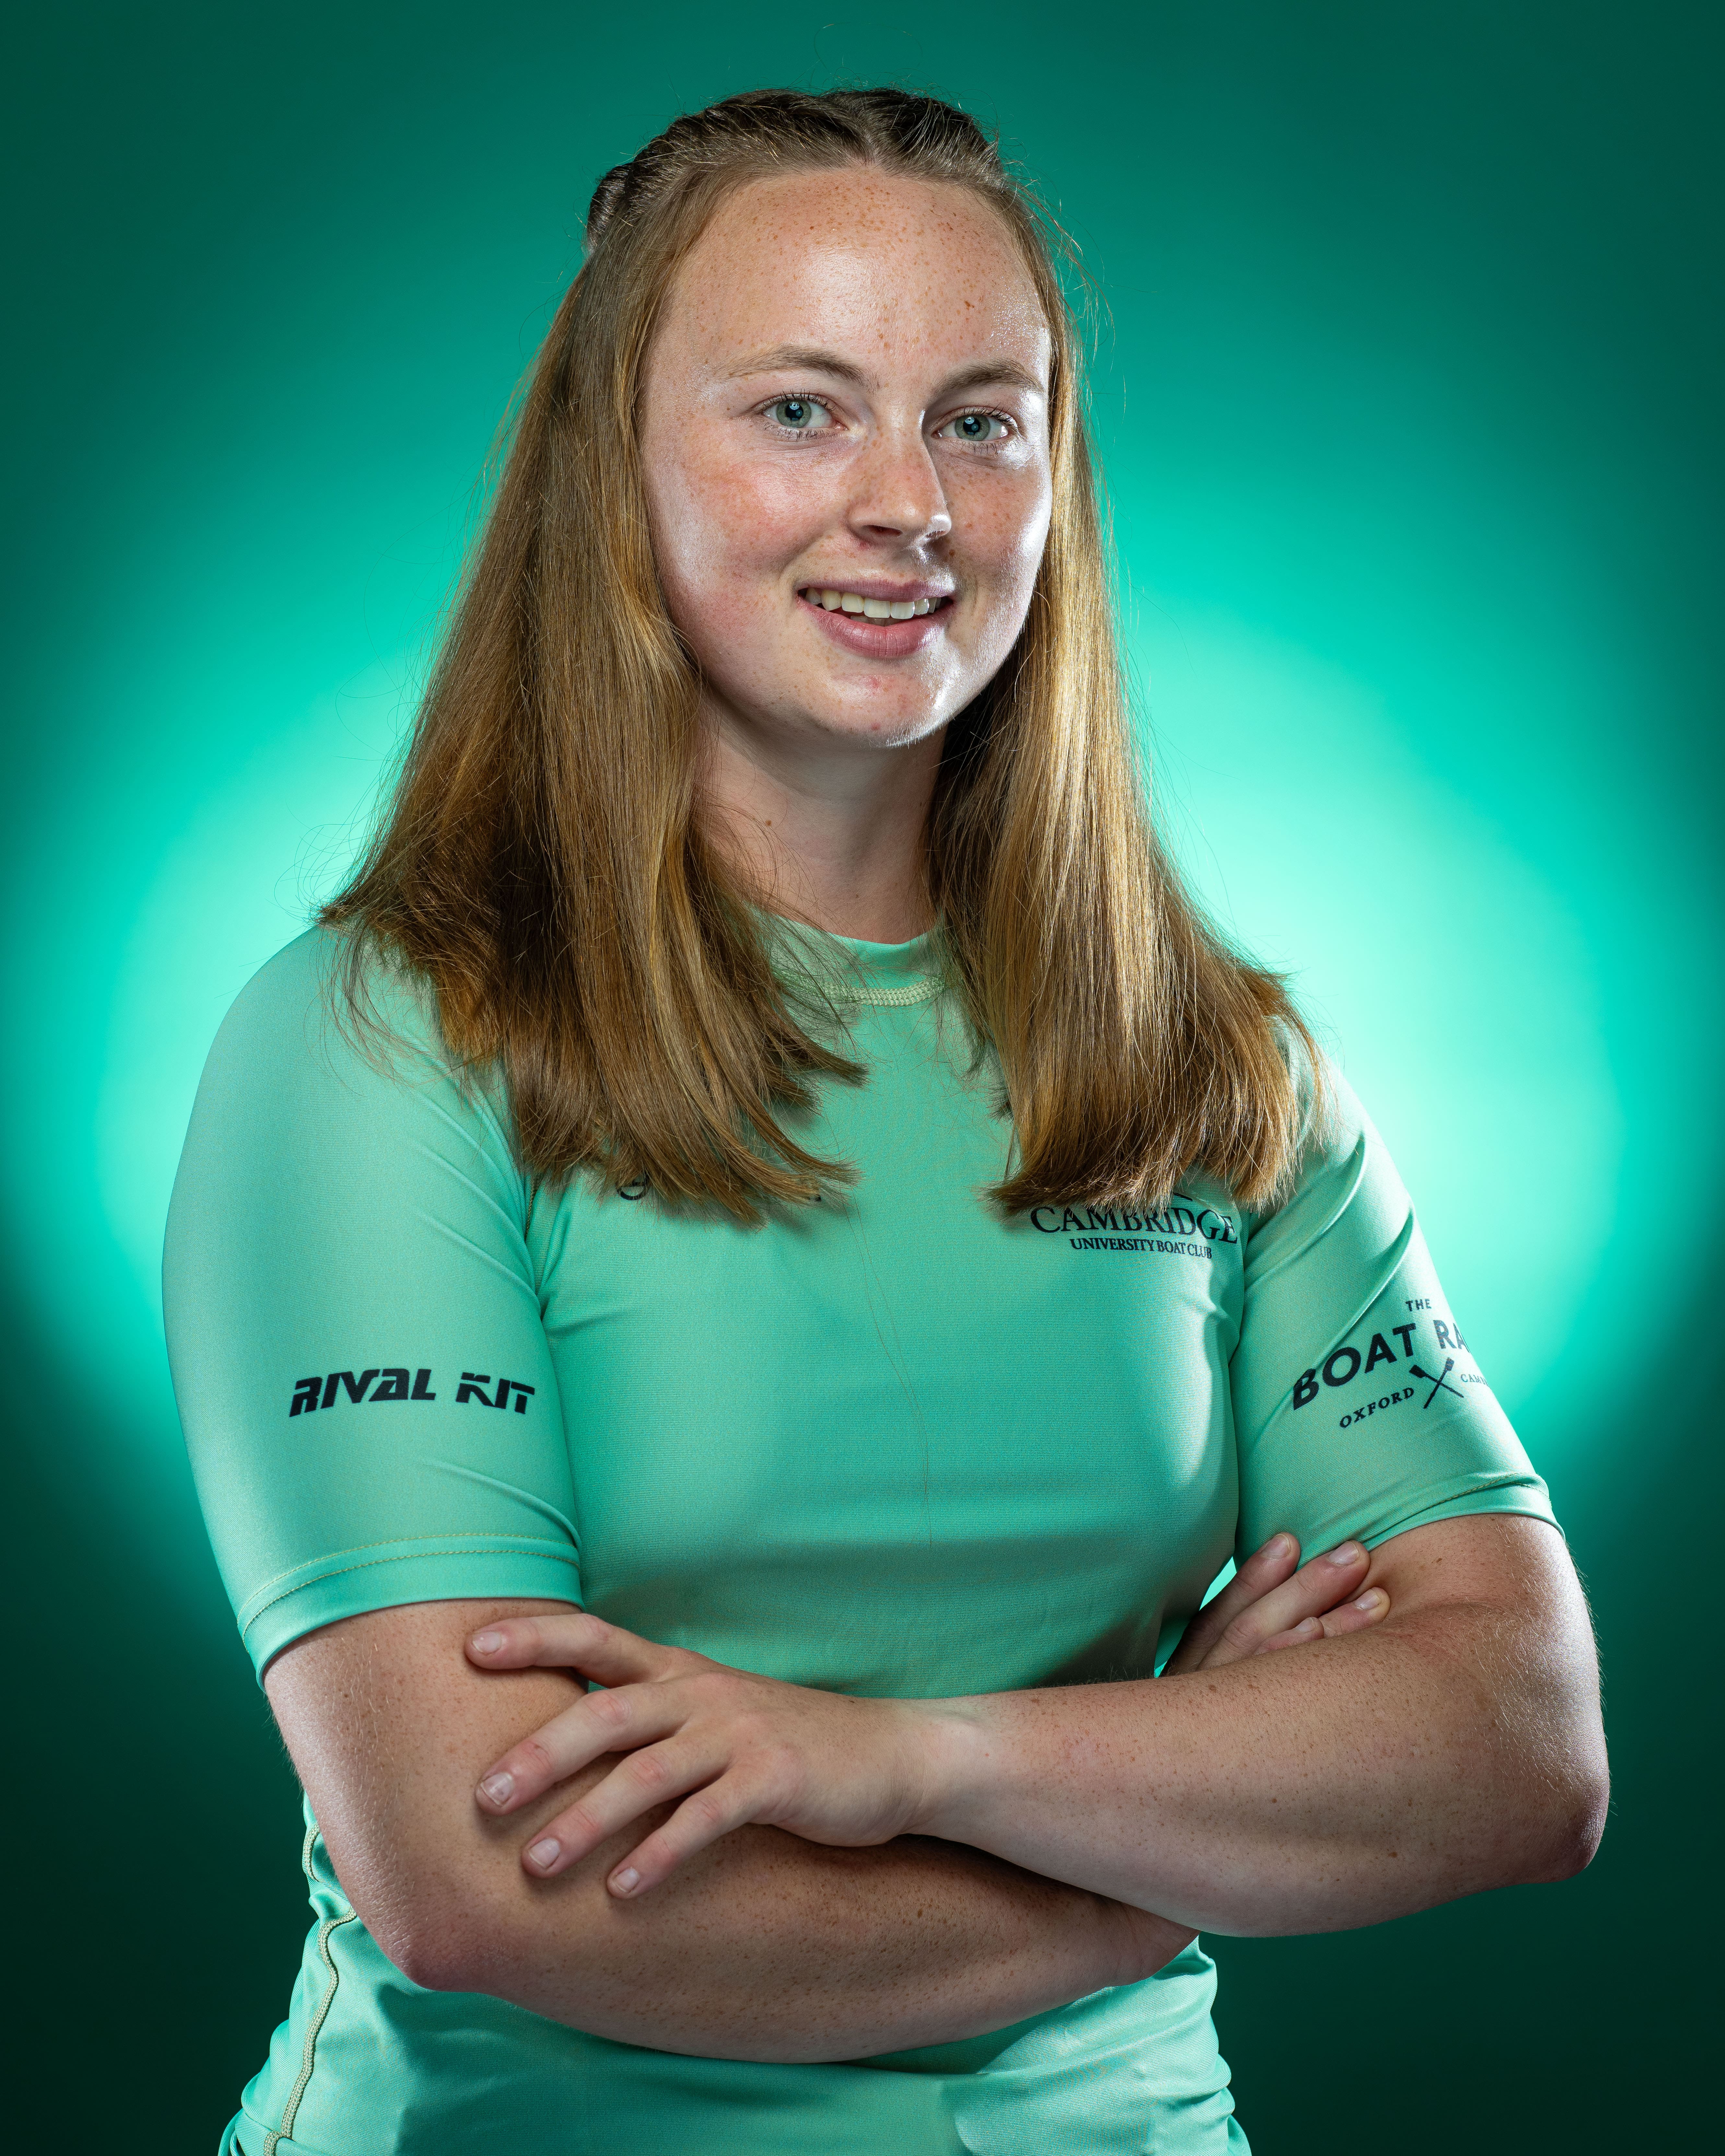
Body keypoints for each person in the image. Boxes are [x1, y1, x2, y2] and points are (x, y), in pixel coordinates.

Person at [164, 87, 1607, 2156]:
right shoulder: (382, 1042)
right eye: (800, 412)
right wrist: (1172, 1833)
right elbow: (484, 1882)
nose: (910, 503)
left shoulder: (1217, 1067)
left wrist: (910, 1761)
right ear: (612, 460)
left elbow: (1519, 1744)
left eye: (982, 421)